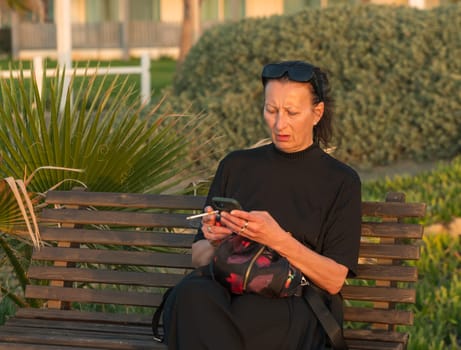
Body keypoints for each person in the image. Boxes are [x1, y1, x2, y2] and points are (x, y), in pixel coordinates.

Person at [163, 60, 362, 350]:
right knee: (190, 295)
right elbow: (198, 257)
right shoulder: (236, 165)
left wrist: (276, 239)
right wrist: (217, 240)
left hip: (294, 298)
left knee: (253, 314)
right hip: (230, 289)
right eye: (272, 110)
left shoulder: (341, 181)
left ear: (317, 113)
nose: (280, 124)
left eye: (292, 112)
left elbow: (333, 281)